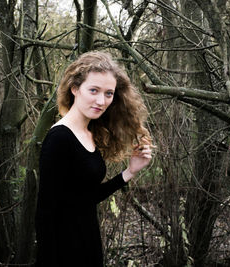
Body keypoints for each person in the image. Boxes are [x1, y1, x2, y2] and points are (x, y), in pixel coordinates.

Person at [35, 51, 152, 267]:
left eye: (109, 93)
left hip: (87, 243)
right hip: (64, 252)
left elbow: (84, 198)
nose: (102, 100)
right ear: (75, 88)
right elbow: (45, 212)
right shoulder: (59, 138)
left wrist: (129, 172)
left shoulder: (90, 134)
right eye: (94, 90)